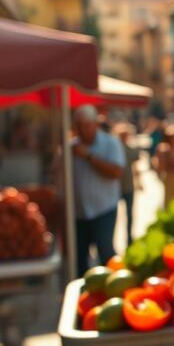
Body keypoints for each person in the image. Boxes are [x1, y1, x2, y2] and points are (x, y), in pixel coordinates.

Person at [69, 105, 125, 276]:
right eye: (79, 126)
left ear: (95, 124)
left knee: (106, 252)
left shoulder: (110, 143)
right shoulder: (69, 148)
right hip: (78, 212)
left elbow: (116, 172)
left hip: (104, 208)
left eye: (86, 125)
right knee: (79, 257)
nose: (82, 130)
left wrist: (88, 156)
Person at [113, 123, 140, 245]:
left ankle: (129, 238)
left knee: (129, 214)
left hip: (128, 185)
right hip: (115, 187)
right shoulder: (114, 149)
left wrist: (139, 181)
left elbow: (135, 166)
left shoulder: (129, 150)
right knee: (114, 214)